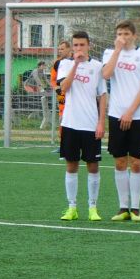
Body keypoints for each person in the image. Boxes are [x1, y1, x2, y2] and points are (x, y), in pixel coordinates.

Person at [102, 19, 140, 223]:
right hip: (116, 114)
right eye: (119, 34)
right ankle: (123, 207)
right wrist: (117, 51)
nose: (122, 38)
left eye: (126, 34)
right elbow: (106, 75)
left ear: (134, 35)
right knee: (119, 161)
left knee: (135, 162)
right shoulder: (110, 54)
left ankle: (135, 209)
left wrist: (130, 112)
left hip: (137, 115)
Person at [56, 31, 107, 221]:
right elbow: (64, 88)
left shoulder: (98, 66)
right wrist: (76, 64)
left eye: (82, 45)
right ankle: (72, 207)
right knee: (71, 165)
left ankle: (93, 207)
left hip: (91, 124)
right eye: (75, 45)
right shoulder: (65, 64)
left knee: (93, 166)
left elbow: (102, 96)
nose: (78, 48)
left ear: (89, 46)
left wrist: (101, 122)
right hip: (70, 124)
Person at [27, 60, 52, 129]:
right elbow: (37, 80)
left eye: (45, 65)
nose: (45, 67)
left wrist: (51, 85)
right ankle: (33, 113)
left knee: (43, 97)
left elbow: (45, 79)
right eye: (43, 65)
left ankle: (40, 114)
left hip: (35, 87)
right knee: (42, 95)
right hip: (28, 86)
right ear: (39, 66)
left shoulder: (42, 72)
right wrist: (42, 89)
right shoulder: (35, 71)